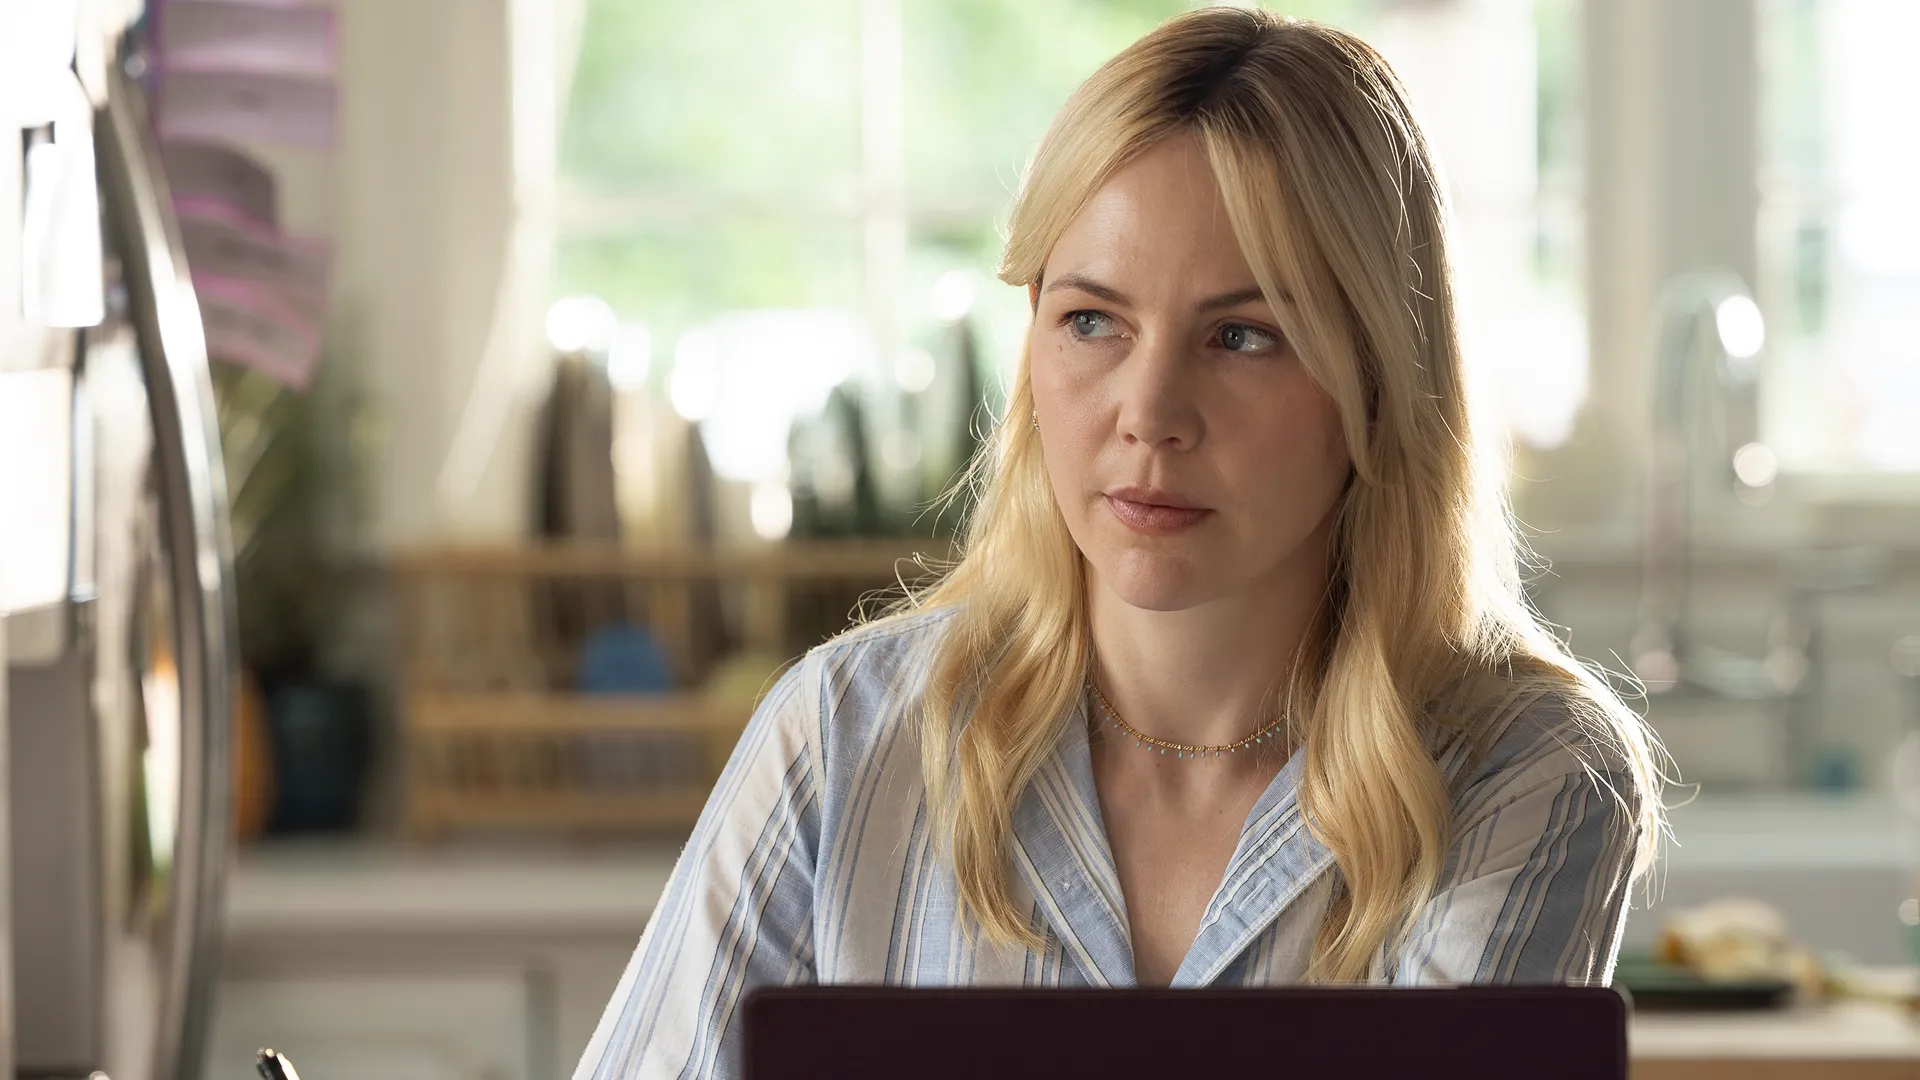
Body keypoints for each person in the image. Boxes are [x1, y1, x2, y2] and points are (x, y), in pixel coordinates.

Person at [575, 8, 1665, 1078]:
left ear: (1379, 386)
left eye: (1244, 336)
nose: (1150, 412)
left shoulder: (1525, 767)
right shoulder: (842, 740)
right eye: (1092, 321)